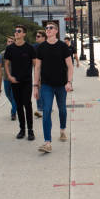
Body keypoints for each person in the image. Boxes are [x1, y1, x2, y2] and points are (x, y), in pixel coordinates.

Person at [34, 22, 74, 153]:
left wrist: (69, 82)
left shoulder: (63, 46)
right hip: (46, 85)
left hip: (61, 84)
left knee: (62, 108)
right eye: (46, 28)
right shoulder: (41, 47)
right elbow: (37, 67)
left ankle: (62, 129)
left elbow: (70, 66)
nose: (48, 30)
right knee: (46, 111)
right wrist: (35, 86)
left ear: (56, 31)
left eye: (51, 28)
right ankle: (47, 142)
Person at [4, 25, 37, 141]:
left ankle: (30, 130)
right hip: (14, 81)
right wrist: (9, 76)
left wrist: (37, 80)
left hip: (27, 81)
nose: (16, 33)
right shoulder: (10, 48)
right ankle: (22, 129)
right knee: (18, 105)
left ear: (24, 34)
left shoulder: (29, 48)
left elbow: (35, 64)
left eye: (19, 31)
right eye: (15, 31)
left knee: (27, 105)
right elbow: (6, 64)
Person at [2, 36, 17, 120]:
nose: (10, 43)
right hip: (6, 78)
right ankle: (16, 105)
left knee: (14, 95)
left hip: (15, 78)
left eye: (12, 41)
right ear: (6, 43)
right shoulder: (2, 53)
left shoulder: (17, 52)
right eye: (9, 41)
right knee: (8, 94)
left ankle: (13, 112)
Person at [32, 30, 46, 118]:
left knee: (46, 89)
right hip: (38, 70)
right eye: (36, 36)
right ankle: (40, 108)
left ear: (44, 38)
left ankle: (46, 107)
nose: (36, 38)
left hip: (47, 70)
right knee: (38, 87)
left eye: (38, 36)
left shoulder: (48, 46)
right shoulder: (34, 47)